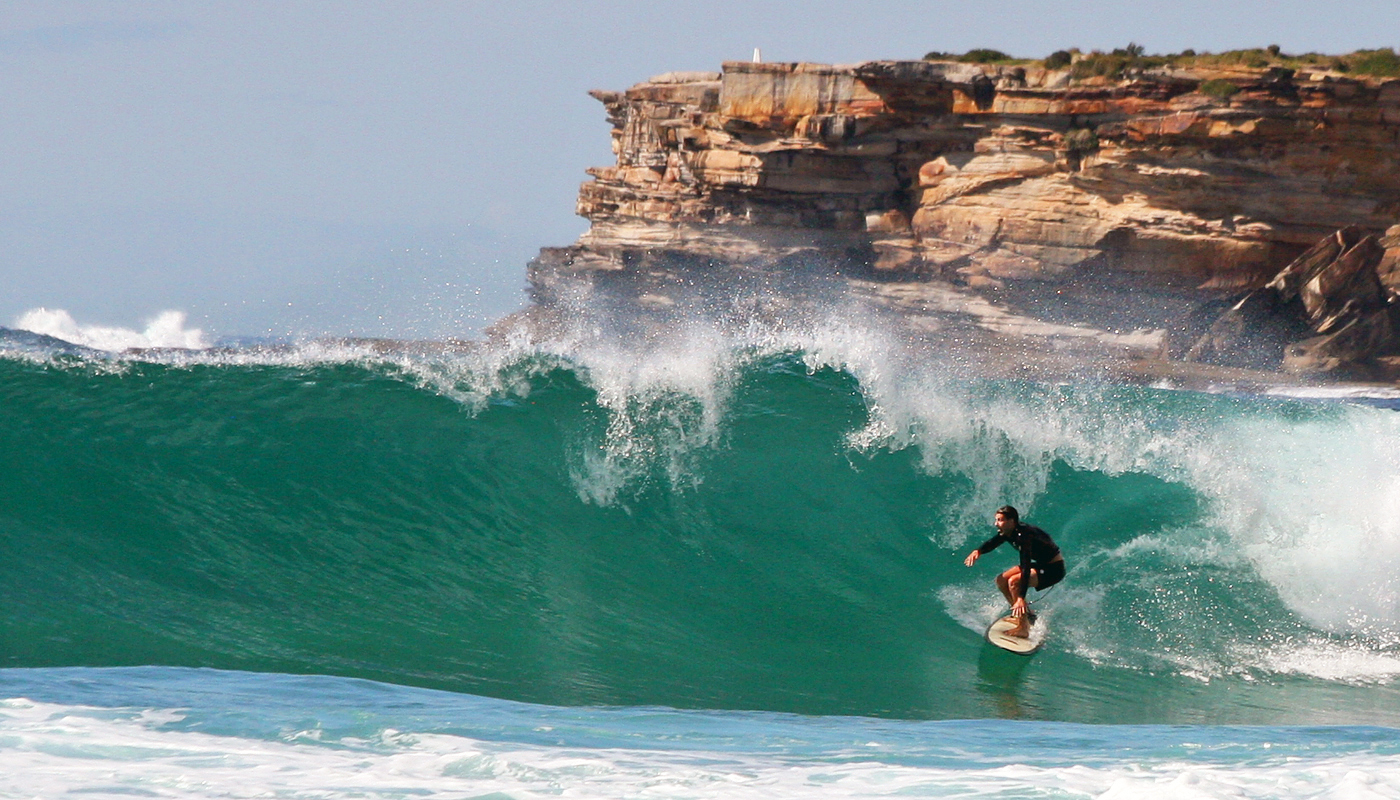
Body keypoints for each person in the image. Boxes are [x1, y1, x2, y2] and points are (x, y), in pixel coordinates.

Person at [963, 505, 1065, 638]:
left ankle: (1023, 628)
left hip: (1053, 569)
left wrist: (1021, 597)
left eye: (1000, 520)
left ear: (1011, 521)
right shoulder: (1009, 531)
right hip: (1041, 564)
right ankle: (1025, 615)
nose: (996, 524)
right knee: (1001, 580)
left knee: (1014, 581)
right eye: (996, 520)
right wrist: (979, 551)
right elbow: (995, 541)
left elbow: (1026, 566)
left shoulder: (1024, 536)